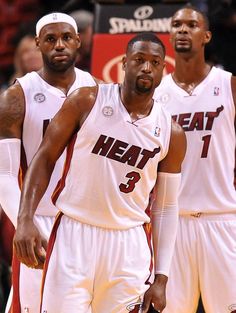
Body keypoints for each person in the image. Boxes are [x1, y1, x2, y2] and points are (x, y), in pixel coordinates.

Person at [13, 32, 186, 313]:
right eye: (139, 60)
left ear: (163, 69)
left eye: (155, 62)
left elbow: (165, 207)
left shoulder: (171, 132)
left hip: (128, 244)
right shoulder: (86, 100)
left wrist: (162, 277)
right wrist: (25, 218)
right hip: (74, 233)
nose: (146, 68)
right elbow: (44, 158)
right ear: (124, 62)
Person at [0, 12, 98, 313]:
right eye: (52, 39)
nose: (60, 45)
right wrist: (25, 223)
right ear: (39, 43)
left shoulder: (98, 90)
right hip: (39, 219)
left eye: (67, 38)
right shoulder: (17, 96)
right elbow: (4, 173)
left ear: (78, 42)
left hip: (86, 222)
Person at [154, 5, 236, 313]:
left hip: (223, 218)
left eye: (191, 24)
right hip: (172, 224)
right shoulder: (156, 94)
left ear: (207, 35)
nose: (183, 29)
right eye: (176, 25)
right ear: (170, 34)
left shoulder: (229, 84)